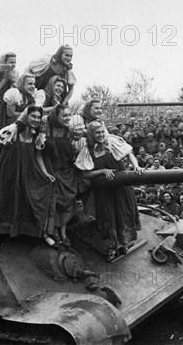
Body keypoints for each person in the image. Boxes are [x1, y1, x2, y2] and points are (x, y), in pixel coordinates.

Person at [0, 106, 53, 252]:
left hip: (26, 169)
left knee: (28, 196)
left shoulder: (37, 134)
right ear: (26, 116)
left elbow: (38, 154)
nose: (36, 120)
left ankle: (34, 232)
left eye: (39, 117)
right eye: (33, 116)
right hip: (7, 168)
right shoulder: (13, 129)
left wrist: (45, 172)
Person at [75, 121, 144, 261]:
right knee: (108, 217)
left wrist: (136, 166)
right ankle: (113, 246)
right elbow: (84, 174)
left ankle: (123, 244)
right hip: (104, 191)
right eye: (97, 133)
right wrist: (102, 171)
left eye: (102, 132)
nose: (100, 135)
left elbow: (129, 153)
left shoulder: (112, 141)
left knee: (122, 214)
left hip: (121, 188)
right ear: (91, 134)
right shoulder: (88, 149)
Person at [42, 105, 80, 247]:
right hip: (52, 170)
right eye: (64, 115)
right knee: (55, 203)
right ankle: (54, 232)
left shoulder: (69, 130)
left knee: (68, 202)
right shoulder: (46, 127)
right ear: (56, 115)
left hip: (68, 171)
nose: (67, 118)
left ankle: (63, 231)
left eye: (69, 115)